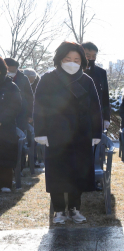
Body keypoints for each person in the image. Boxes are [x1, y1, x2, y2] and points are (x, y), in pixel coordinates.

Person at [33, 41, 102, 225]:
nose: (72, 62)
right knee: (57, 173)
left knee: (78, 173)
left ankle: (74, 208)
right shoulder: (48, 79)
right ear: (60, 59)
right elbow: (39, 106)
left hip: (81, 135)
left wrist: (96, 133)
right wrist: (41, 132)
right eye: (67, 59)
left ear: (82, 61)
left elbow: (96, 109)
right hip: (55, 135)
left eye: (76, 59)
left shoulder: (87, 81)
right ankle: (58, 210)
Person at [0, 57, 22, 192]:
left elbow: (15, 107)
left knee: (5, 157)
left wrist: (2, 120)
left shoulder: (10, 86)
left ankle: (5, 184)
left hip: (6, 129)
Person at [82, 42, 110, 131]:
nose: (91, 58)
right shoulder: (74, 71)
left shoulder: (101, 72)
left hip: (97, 117)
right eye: (88, 55)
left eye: (94, 56)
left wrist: (106, 118)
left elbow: (105, 96)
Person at [4, 58, 33, 135]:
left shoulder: (23, 78)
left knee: (20, 135)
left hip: (21, 113)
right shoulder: (2, 80)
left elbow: (30, 97)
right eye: (8, 71)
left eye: (13, 71)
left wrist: (30, 114)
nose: (10, 73)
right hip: (5, 114)